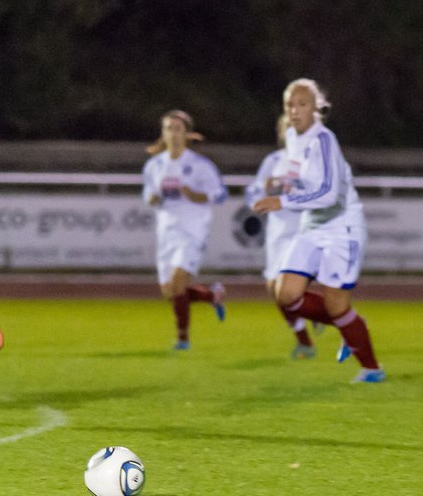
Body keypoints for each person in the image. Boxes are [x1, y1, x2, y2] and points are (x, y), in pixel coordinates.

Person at [251, 78, 384, 383]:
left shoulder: (323, 140)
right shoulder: (294, 140)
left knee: (336, 304)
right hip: (312, 225)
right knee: (285, 294)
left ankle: (372, 368)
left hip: (342, 226)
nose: (295, 111)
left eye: (302, 104)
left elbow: (328, 193)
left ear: (316, 108)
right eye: (290, 105)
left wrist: (281, 200)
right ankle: (346, 324)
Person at [141, 110, 228, 350]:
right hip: (166, 231)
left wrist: (196, 195)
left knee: (178, 284)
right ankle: (213, 296)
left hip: (192, 231)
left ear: (187, 134)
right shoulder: (155, 165)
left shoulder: (199, 165)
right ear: (163, 133)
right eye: (168, 128)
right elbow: (147, 194)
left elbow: (220, 194)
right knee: (169, 291)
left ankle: (183, 338)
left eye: (178, 129)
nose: (173, 133)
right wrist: (153, 198)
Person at [244, 115, 317, 359]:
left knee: (284, 288)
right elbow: (253, 191)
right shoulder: (273, 161)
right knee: (274, 290)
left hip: (303, 228)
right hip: (278, 231)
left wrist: (292, 193)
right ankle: (311, 325)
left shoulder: (313, 160)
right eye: (287, 127)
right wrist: (263, 193)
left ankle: (307, 340)